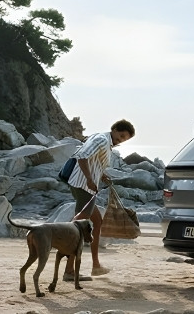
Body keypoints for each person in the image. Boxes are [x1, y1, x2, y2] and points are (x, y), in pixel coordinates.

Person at [63, 119, 135, 281]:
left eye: (125, 139)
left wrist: (101, 175)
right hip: (83, 186)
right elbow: (82, 156)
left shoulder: (104, 140)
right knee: (79, 226)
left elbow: (92, 159)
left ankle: (96, 265)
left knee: (97, 222)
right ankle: (68, 270)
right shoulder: (102, 140)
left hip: (85, 186)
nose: (121, 140)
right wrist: (89, 179)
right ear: (115, 129)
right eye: (121, 135)